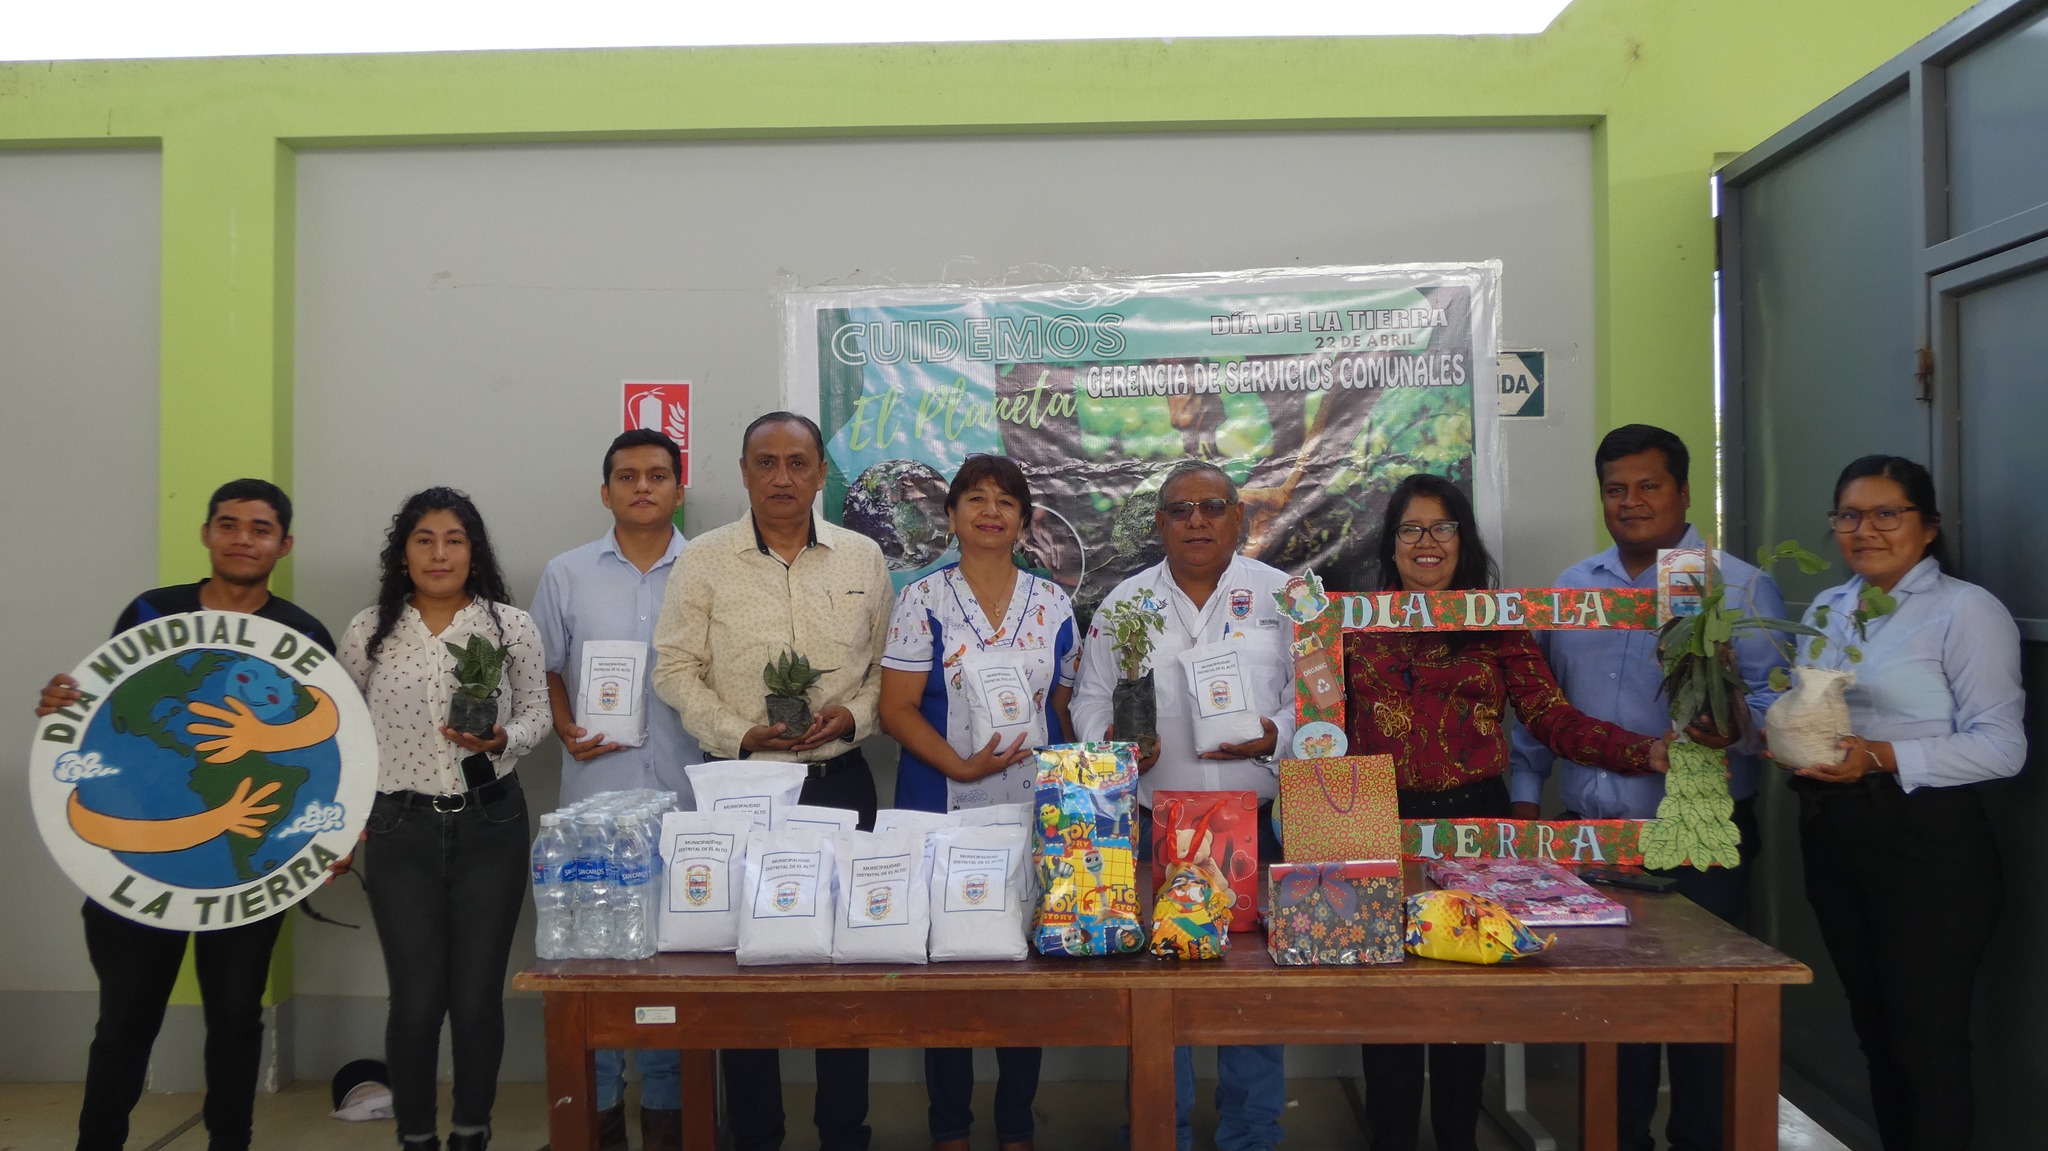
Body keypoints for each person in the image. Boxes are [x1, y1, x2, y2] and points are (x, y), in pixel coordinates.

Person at [1346, 473, 1668, 1151]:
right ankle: (1391, 1139)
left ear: (1464, 539)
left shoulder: (1495, 621)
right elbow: (1323, 733)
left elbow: (1553, 719)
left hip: (1478, 828)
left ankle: (1458, 1137)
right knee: (1389, 1001)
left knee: (1465, 1000)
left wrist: (1650, 752)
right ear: (1391, 543)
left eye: (1442, 527)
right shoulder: (1356, 625)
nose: (1426, 542)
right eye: (1411, 529)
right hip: (1381, 825)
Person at [34, 479, 336, 1151]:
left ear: (283, 545)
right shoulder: (149, 612)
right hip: (139, 863)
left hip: (244, 864)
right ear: (206, 534)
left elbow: (324, 749)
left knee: (235, 1020)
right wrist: (63, 705)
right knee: (124, 1023)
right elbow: (109, 712)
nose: (242, 538)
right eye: (228, 524)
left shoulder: (304, 635)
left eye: (259, 528)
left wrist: (329, 835)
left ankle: (230, 1141)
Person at [1507, 424, 1785, 1151]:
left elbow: (1776, 710)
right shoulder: (1569, 590)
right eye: (1615, 489)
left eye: (1648, 485)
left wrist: (1734, 722)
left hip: (1701, 844)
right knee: (1611, 1029)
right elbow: (1540, 714)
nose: (1631, 502)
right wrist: (1526, 805)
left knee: (1702, 1030)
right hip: (1593, 845)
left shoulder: (1741, 585)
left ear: (1686, 491)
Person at [652, 410, 892, 1151]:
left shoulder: (862, 558)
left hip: (839, 783)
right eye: (766, 462)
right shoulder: (706, 559)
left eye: (797, 462)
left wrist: (851, 716)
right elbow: (674, 668)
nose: (782, 477)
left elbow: (888, 671)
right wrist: (737, 733)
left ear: (821, 474)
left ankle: (843, 1131)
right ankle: (755, 1131)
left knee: (844, 965)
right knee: (742, 971)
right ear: (745, 471)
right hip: (741, 790)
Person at [1776, 455, 2023, 1151]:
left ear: (1929, 526)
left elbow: (2003, 747)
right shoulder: (1831, 607)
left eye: (1888, 513)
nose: (1866, 529)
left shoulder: (1965, 611)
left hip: (1929, 846)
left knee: (1927, 1043)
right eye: (1849, 515)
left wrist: (1879, 757)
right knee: (1876, 1034)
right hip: (1838, 836)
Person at [1071, 460, 1296, 1151]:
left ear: (1239, 518)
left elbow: (1318, 701)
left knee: (1252, 994)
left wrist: (1274, 734)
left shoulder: (1285, 596)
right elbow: (1088, 701)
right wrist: (1109, 749)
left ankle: (1252, 1133)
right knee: (1159, 989)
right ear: (1160, 524)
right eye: (1179, 509)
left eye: (1211, 506)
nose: (1196, 520)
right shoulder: (1123, 602)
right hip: (1155, 829)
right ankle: (1162, 1130)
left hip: (1258, 830)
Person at [338, 487, 552, 1151]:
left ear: (473, 550)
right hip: (400, 827)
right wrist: (338, 831)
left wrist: (502, 741)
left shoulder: (508, 626)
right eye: (424, 539)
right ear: (402, 553)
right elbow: (338, 733)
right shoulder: (368, 629)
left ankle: (470, 1130)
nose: (439, 553)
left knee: (477, 996)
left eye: (454, 539)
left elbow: (538, 714)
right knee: (417, 998)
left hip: (491, 823)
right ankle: (416, 1135)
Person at [878, 454, 1078, 1151]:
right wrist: (959, 764)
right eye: (975, 499)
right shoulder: (922, 599)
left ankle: (1017, 1124)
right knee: (950, 973)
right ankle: (950, 1128)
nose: (990, 511)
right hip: (940, 803)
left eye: (1005, 501)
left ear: (1025, 520)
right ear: (952, 514)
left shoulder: (1053, 604)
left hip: (1031, 812)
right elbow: (896, 710)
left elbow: (1062, 708)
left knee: (1023, 971)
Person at [530, 429, 700, 1151]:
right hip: (594, 808)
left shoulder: (709, 568)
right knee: (592, 966)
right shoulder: (566, 574)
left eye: (657, 475)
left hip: (687, 803)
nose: (642, 487)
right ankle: (594, 1123)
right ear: (605, 492)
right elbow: (542, 666)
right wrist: (564, 723)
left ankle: (668, 1122)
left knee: (673, 965)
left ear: (678, 488)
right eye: (626, 476)